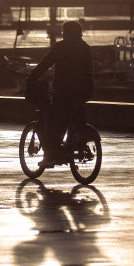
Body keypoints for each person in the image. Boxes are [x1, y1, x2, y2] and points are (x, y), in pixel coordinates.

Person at [26, 21, 94, 168]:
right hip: (85, 91)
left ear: (66, 33)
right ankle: (76, 140)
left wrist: (31, 78)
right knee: (74, 116)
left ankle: (51, 156)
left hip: (65, 91)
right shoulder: (85, 48)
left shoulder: (61, 47)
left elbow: (45, 64)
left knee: (54, 124)